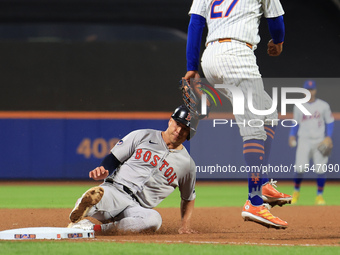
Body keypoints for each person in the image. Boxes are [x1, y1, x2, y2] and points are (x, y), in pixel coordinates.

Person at [183, 0, 291, 229]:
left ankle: (261, 185)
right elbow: (276, 20)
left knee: (269, 113)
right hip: (237, 55)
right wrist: (278, 41)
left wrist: (191, 65)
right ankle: (254, 201)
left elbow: (195, 24)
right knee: (254, 126)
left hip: (210, 57)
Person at [68, 105, 199, 234]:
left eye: (185, 129)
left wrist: (185, 225)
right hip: (116, 191)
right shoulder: (143, 135)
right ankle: (79, 215)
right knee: (96, 196)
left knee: (154, 219)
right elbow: (114, 158)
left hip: (136, 208)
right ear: (170, 120)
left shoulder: (187, 165)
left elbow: (188, 197)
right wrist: (104, 168)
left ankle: (95, 229)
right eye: (177, 124)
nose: (179, 130)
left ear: (190, 134)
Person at [289, 80, 334, 205]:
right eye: (307, 90)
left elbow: (329, 121)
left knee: (320, 169)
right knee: (300, 168)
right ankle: (296, 192)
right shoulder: (298, 106)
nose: (310, 92)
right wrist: (292, 135)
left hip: (319, 141)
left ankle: (319, 196)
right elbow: (295, 123)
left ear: (315, 90)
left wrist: (329, 137)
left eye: (311, 89)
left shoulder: (323, 105)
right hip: (304, 140)